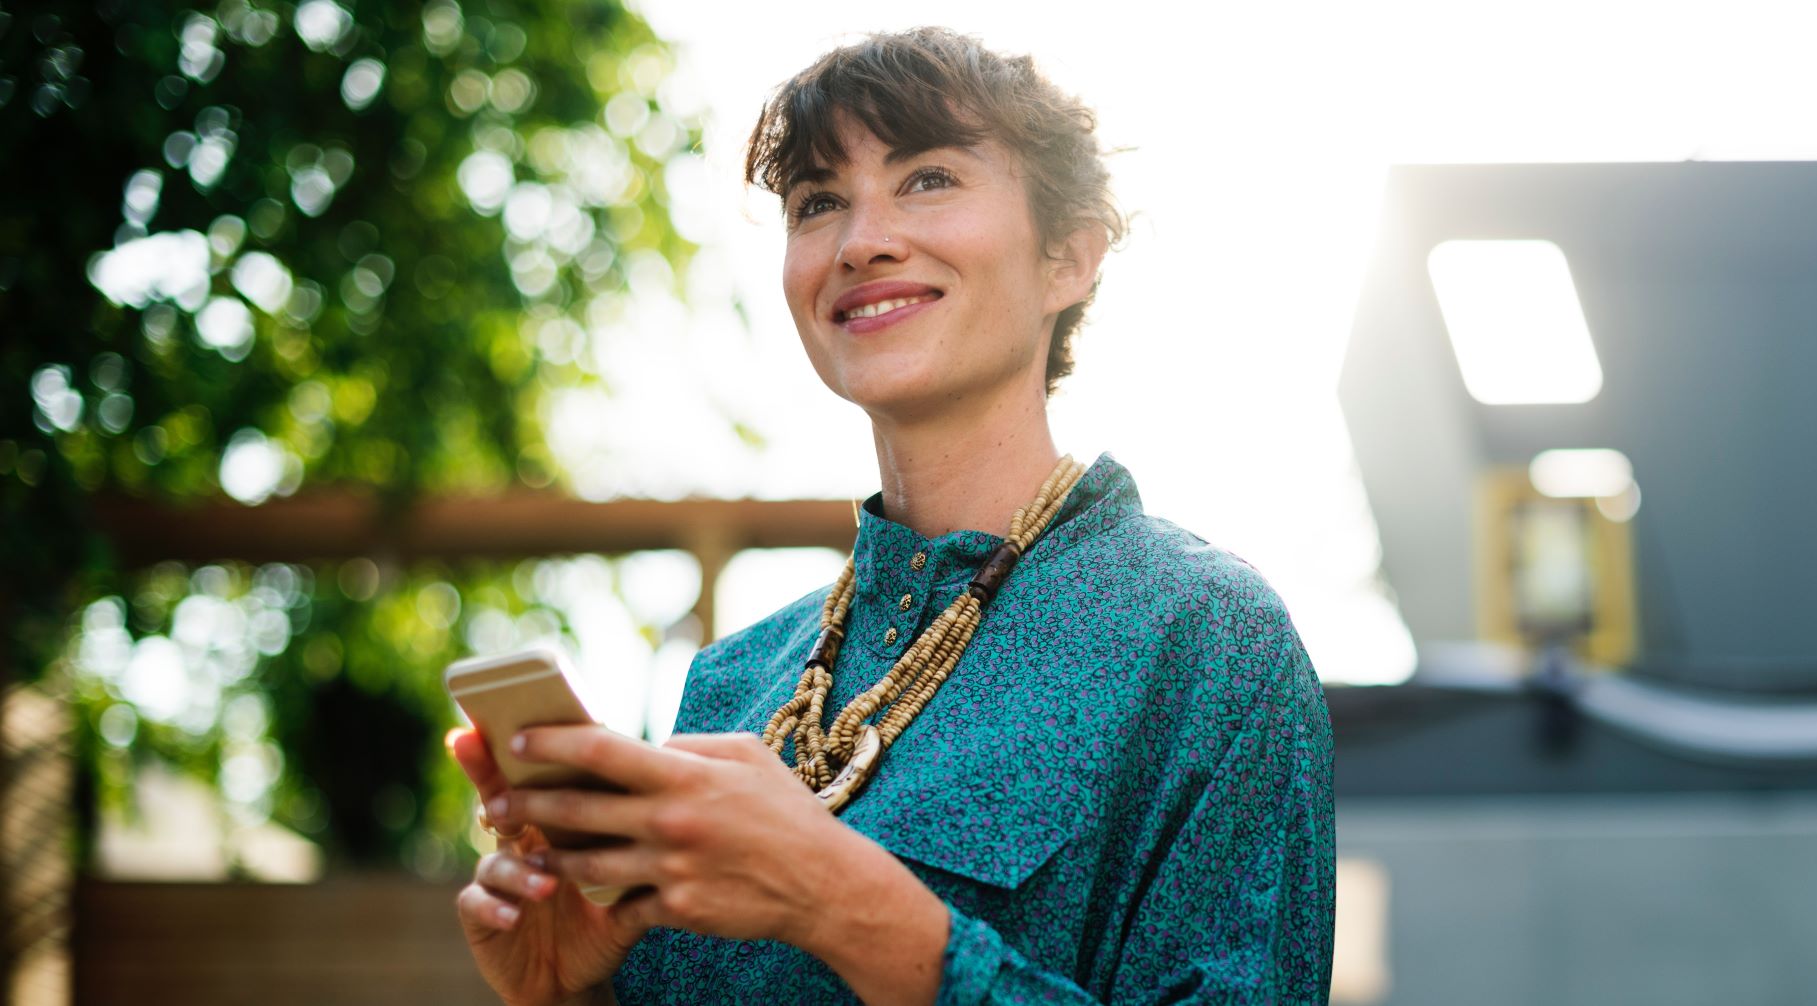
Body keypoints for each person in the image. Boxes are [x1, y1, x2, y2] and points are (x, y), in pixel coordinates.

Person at [448, 26, 1335, 1005]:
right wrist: (571, 991)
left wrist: (839, 898)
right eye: (817, 201)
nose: (860, 239)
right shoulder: (730, 686)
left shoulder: (1207, 641)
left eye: (927, 179)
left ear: (1068, 258)